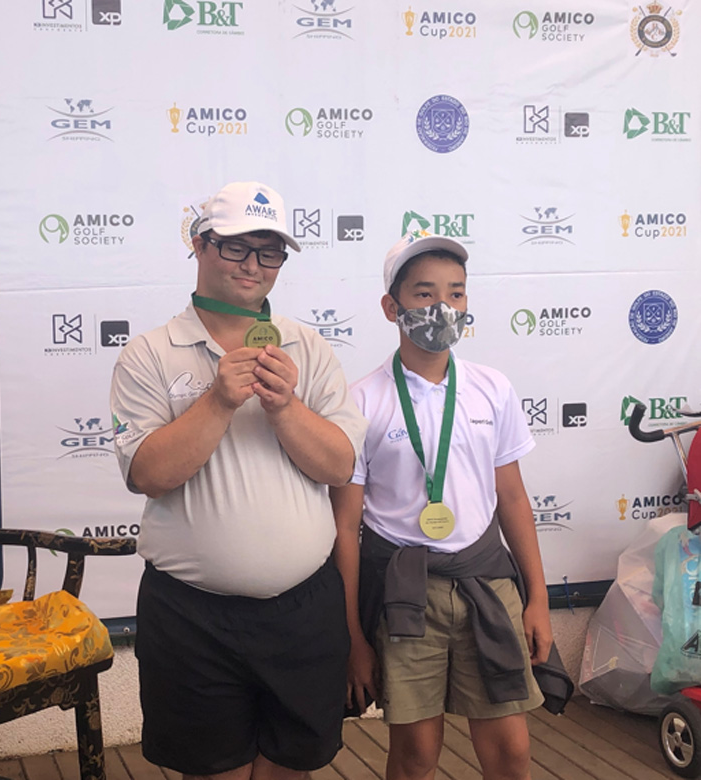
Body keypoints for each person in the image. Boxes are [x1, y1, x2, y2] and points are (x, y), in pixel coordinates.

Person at [110, 181, 368, 780]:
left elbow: (339, 466)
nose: (253, 265)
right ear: (200, 245)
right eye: (236, 247)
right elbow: (147, 475)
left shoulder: (309, 347)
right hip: (191, 619)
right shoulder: (149, 353)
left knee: (292, 766)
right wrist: (219, 400)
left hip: (305, 610)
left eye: (269, 252)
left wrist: (286, 408)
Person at [331, 232, 553, 780]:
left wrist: (538, 599)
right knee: (415, 755)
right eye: (424, 294)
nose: (443, 307)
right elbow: (346, 525)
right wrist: (353, 635)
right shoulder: (361, 401)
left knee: (511, 749)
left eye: (456, 293)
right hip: (405, 595)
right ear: (392, 307)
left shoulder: (491, 388)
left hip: (487, 584)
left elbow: (512, 498)